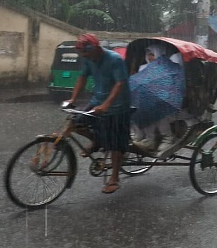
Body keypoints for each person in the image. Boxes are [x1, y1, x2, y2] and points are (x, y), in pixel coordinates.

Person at [67, 33, 131, 194]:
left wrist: (107, 104)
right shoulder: (88, 59)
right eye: (83, 54)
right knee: (77, 123)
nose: (86, 57)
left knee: (115, 142)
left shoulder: (114, 59)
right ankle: (98, 141)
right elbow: (82, 77)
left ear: (96, 48)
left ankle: (114, 178)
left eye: (87, 53)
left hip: (118, 104)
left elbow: (120, 83)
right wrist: (72, 99)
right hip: (97, 100)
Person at [131, 45, 183, 155]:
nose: (150, 57)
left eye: (153, 54)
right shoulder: (143, 68)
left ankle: (168, 138)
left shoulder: (169, 68)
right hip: (146, 99)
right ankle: (143, 137)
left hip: (164, 100)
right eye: (149, 54)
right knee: (133, 108)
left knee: (156, 110)